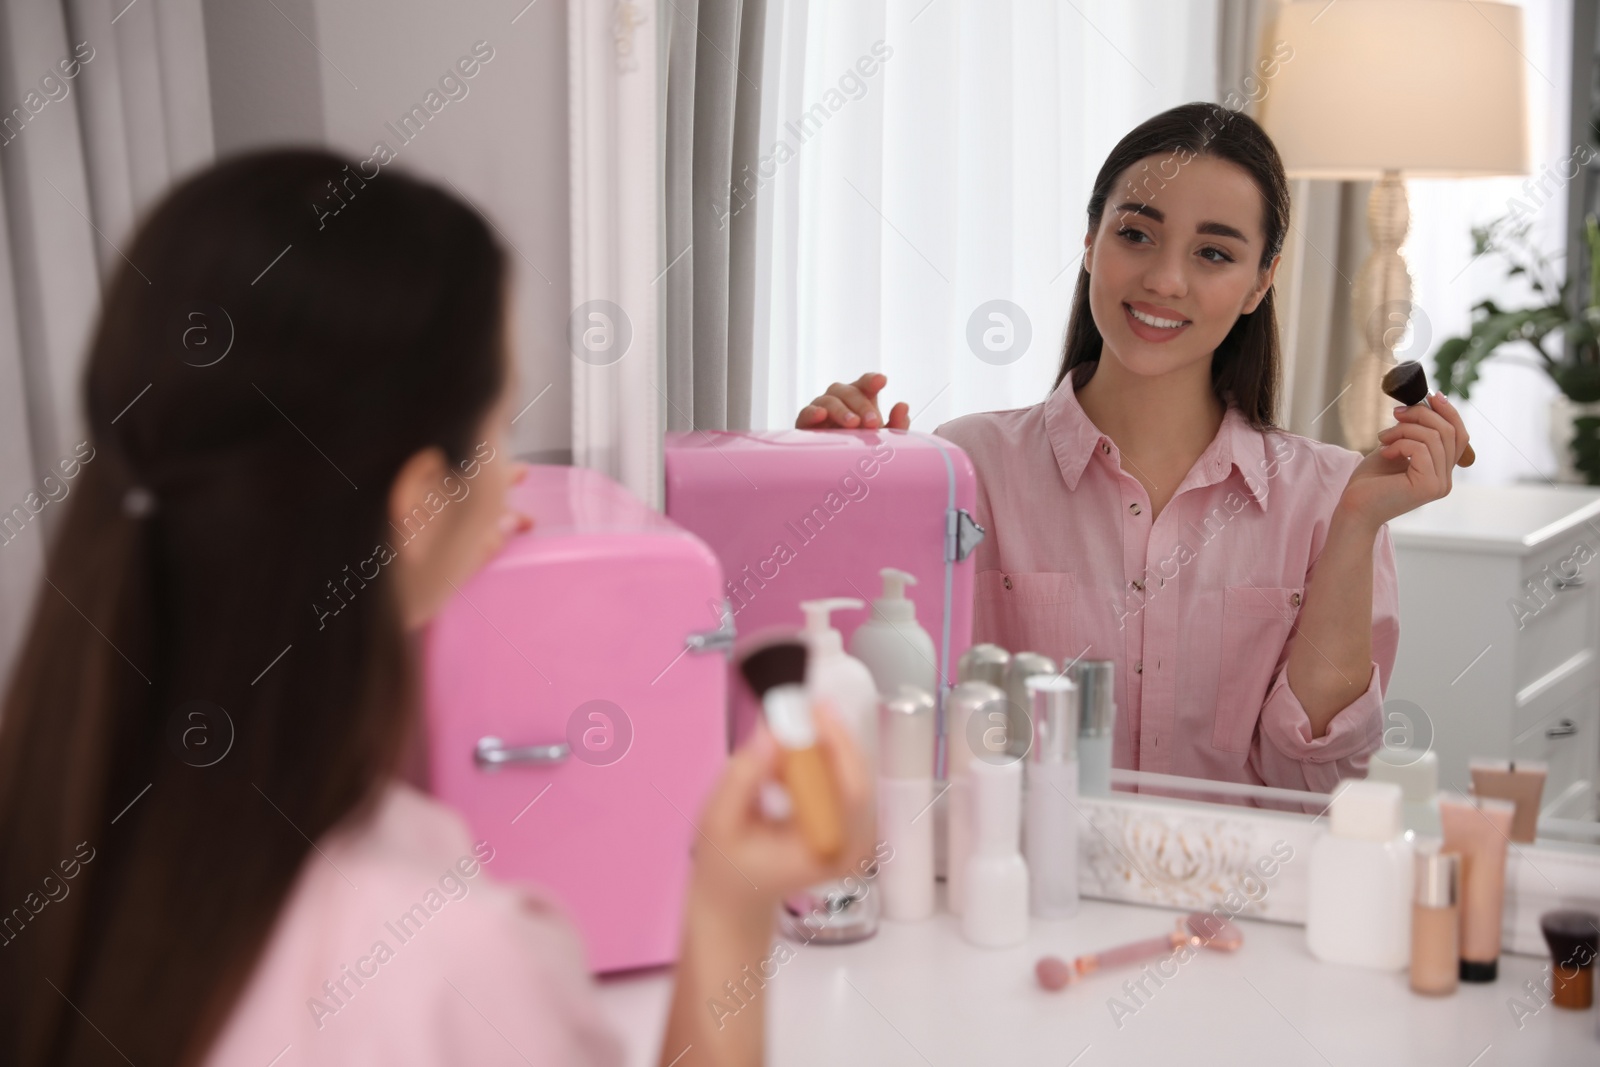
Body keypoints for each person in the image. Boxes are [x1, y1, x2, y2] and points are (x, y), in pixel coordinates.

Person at [0, 150, 871, 1067]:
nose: (512, 473)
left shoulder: (57, 826)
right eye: (499, 421)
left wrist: (412, 546)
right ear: (417, 497)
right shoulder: (445, 967)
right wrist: (732, 910)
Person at [796, 102, 1470, 794]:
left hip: (1239, 896)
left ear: (1260, 282)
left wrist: (1357, 523)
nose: (1164, 280)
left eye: (1213, 253)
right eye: (1137, 234)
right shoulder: (968, 467)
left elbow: (1322, 781)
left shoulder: (1331, 495)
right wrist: (830, 486)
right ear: (1090, 241)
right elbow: (880, 715)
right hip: (1020, 890)